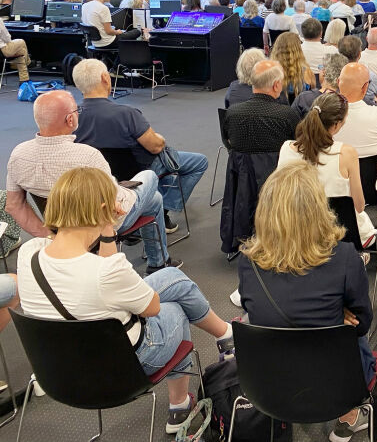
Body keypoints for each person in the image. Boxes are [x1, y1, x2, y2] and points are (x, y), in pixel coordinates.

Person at [18, 167, 235, 433]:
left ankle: (226, 334)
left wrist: (103, 226)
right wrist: (107, 224)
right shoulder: (107, 271)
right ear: (102, 208)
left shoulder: (29, 253)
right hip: (123, 368)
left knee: (170, 278)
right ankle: (180, 405)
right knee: (175, 310)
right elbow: (152, 307)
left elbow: (94, 272)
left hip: (60, 373)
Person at [237, 163, 375, 442]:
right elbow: (362, 325)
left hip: (268, 382)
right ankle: (347, 417)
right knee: (350, 337)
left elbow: (253, 310)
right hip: (337, 384)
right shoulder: (346, 257)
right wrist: (338, 315)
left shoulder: (248, 262)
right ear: (317, 209)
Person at [5, 90, 178, 271]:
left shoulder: (18, 155)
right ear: (70, 120)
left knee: (154, 200)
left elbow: (14, 205)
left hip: (59, 228)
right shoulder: (87, 156)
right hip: (102, 225)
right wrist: (125, 192)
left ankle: (159, 262)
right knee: (148, 177)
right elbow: (116, 204)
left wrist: (50, 237)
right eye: (76, 110)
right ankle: (157, 264)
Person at [72, 59, 208, 233]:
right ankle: (162, 210)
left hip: (97, 180)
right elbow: (156, 147)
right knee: (199, 162)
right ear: (106, 78)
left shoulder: (71, 118)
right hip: (139, 171)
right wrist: (161, 138)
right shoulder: (127, 114)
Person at [277, 92, 377, 250]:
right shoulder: (346, 153)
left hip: (294, 232)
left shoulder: (286, 148)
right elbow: (359, 206)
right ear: (336, 125)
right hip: (336, 236)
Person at [224, 61, 301, 153]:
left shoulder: (232, 113)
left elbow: (228, 142)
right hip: (279, 166)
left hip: (241, 167)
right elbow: (300, 144)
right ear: (276, 85)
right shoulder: (287, 116)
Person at [82, 0, 146, 47]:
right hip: (108, 42)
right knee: (137, 31)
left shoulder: (84, 6)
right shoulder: (103, 8)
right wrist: (118, 32)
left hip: (95, 42)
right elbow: (109, 31)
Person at [293, 52, 347, 118]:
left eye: (320, 68)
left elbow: (291, 123)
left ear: (324, 72)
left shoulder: (304, 98)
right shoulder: (345, 101)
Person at [270, 31, 316, 103]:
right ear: (298, 49)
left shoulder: (270, 72)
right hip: (301, 112)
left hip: (275, 112)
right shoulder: (307, 72)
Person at [0, 18, 30, 83]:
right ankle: (28, 63)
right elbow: (7, 38)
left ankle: (24, 79)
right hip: (3, 51)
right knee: (21, 42)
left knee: (21, 52)